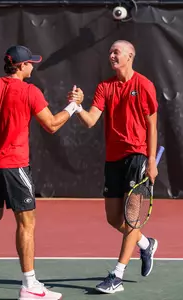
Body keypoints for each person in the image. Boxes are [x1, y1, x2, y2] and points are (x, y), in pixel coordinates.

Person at [0, 45, 84, 300]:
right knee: (27, 224)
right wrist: (72, 106)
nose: (33, 66)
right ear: (21, 66)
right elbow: (53, 125)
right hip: (14, 166)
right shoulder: (30, 92)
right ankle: (30, 286)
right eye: (31, 63)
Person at [75, 40, 159, 294]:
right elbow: (90, 120)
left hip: (137, 156)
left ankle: (117, 276)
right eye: (110, 52)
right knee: (114, 218)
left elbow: (152, 126)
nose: (111, 56)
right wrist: (78, 105)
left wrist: (151, 161)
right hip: (113, 158)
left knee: (131, 218)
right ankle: (146, 243)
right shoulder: (104, 87)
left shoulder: (144, 85)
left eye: (116, 52)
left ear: (130, 56)